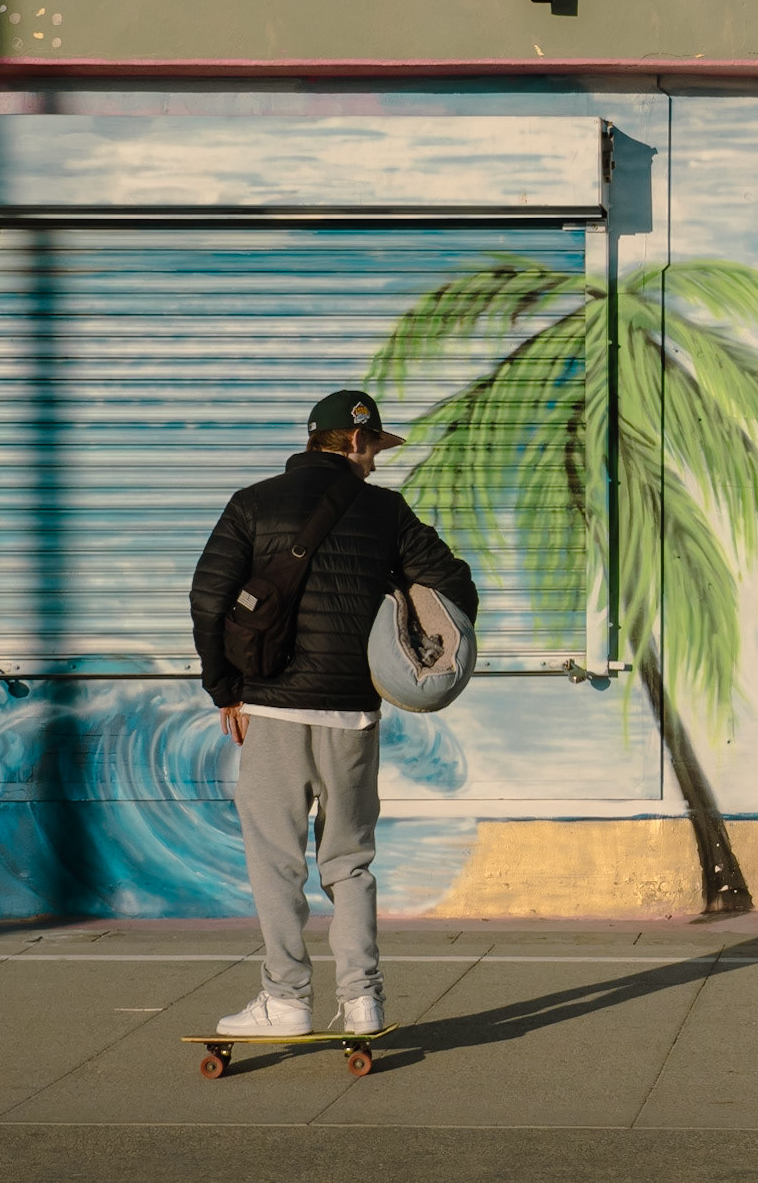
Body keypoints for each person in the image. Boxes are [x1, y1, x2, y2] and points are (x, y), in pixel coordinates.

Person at [190, 390, 478, 1036]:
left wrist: (224, 689)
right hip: (354, 714)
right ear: (351, 442)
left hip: (272, 708)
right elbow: (455, 584)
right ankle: (362, 999)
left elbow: (208, 597)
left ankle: (286, 999)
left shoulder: (252, 503)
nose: (376, 460)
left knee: (276, 858)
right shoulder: (386, 513)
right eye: (374, 446)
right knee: (349, 860)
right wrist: (409, 632)